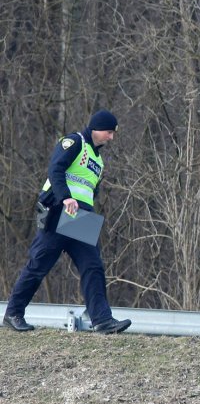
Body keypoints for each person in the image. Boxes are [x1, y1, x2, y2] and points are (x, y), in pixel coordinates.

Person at [3, 110, 131, 334]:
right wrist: (66, 197)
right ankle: (13, 314)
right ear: (96, 128)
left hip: (79, 217)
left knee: (93, 266)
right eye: (109, 132)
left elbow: (91, 191)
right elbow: (55, 169)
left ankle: (102, 321)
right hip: (57, 210)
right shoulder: (75, 142)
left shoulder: (98, 161)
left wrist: (84, 208)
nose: (111, 138)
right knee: (39, 265)